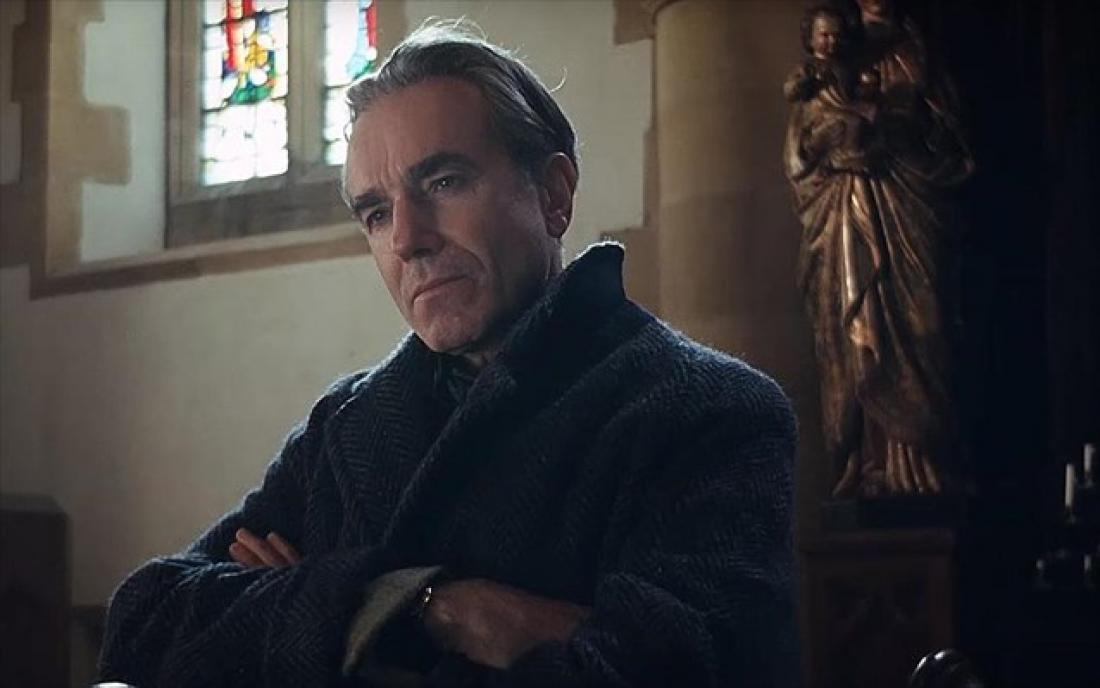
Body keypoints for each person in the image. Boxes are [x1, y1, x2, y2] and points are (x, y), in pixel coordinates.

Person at [99, 23, 799, 687]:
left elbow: (680, 673)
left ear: (553, 195)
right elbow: (144, 622)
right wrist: (425, 605)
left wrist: (301, 612)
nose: (407, 239)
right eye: (377, 213)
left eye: (444, 182)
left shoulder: (708, 412)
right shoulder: (346, 427)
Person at [784, 0, 974, 498]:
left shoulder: (918, 51)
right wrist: (844, 147)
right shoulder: (828, 67)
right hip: (851, 208)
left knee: (926, 325)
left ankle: (924, 459)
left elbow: (951, 138)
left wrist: (897, 132)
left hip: (912, 200)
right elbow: (803, 154)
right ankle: (868, 463)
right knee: (859, 331)